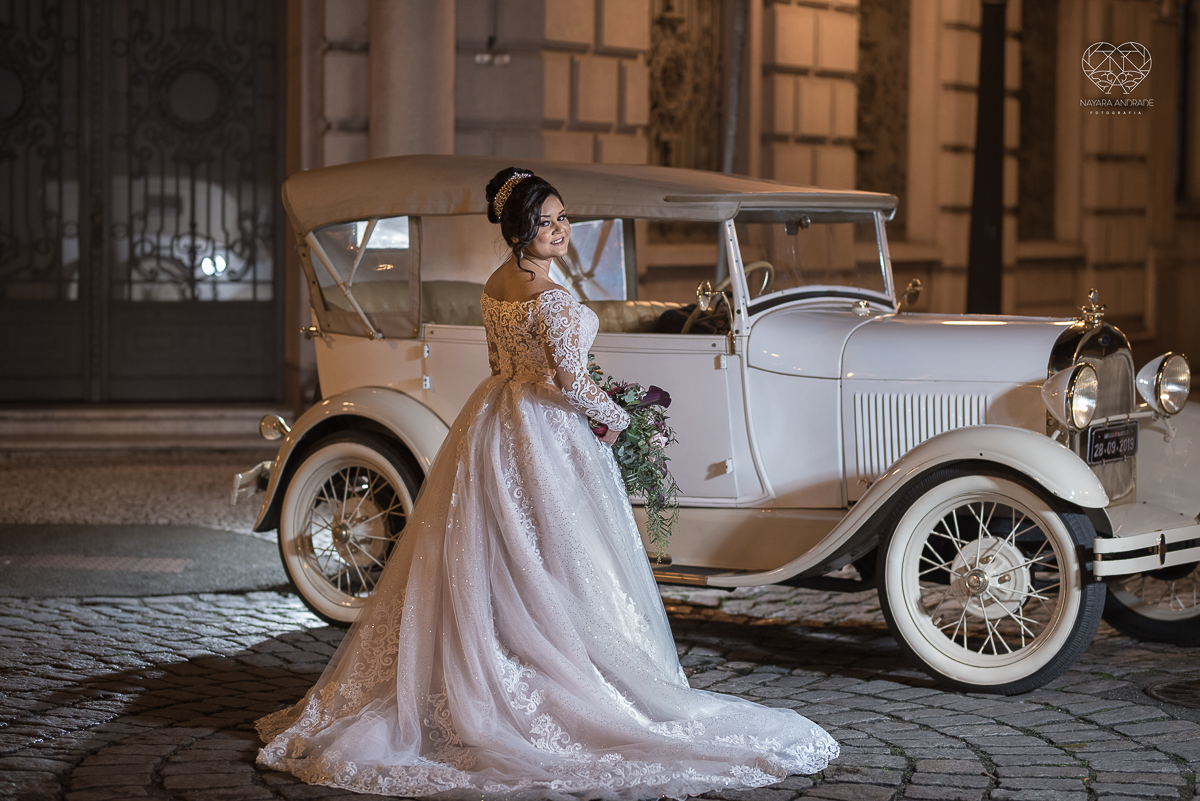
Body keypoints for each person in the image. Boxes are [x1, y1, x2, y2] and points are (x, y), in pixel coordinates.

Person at [255, 167, 839, 799]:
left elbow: (500, 364)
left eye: (564, 219)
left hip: (495, 417)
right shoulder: (553, 297)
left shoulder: (495, 285)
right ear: (521, 230)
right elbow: (569, 380)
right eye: (547, 222)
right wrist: (620, 421)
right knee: (559, 555)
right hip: (546, 429)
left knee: (503, 550)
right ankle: (549, 668)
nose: (560, 230)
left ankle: (498, 656)